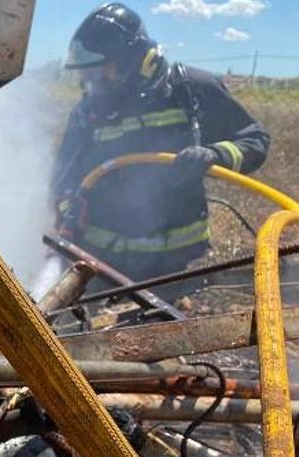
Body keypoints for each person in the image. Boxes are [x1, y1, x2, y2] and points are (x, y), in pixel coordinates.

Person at [51, 3, 270, 283]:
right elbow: (63, 174)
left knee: (164, 326)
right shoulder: (88, 110)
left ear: (136, 59)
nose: (94, 85)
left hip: (177, 261)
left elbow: (255, 138)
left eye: (103, 72)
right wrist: (69, 213)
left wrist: (216, 155)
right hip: (99, 260)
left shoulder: (192, 90)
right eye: (88, 75)